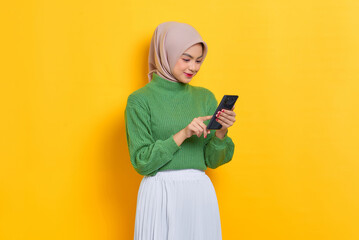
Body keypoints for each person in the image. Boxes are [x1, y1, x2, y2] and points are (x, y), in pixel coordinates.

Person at [124, 21, 237, 240]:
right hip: (160, 194)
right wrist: (182, 134)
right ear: (165, 54)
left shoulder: (205, 97)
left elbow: (212, 161)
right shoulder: (139, 101)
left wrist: (221, 133)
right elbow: (142, 162)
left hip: (199, 194)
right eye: (185, 59)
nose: (193, 67)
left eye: (198, 61)